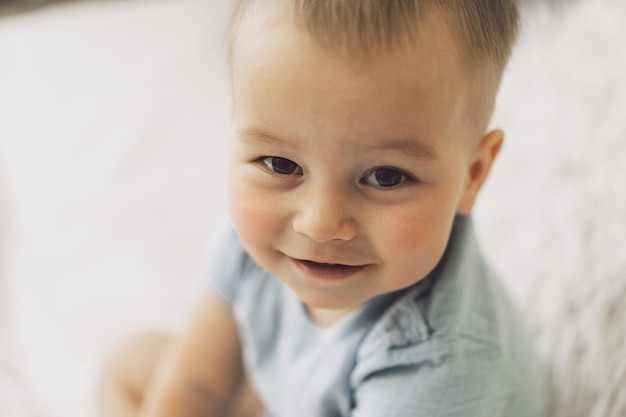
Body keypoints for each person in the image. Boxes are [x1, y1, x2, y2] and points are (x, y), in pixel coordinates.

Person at [99, 0, 544, 416]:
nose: (319, 224)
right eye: (281, 164)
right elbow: (194, 382)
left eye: (386, 176)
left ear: (472, 174)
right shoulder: (256, 234)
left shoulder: (440, 366)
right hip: (292, 390)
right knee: (130, 363)